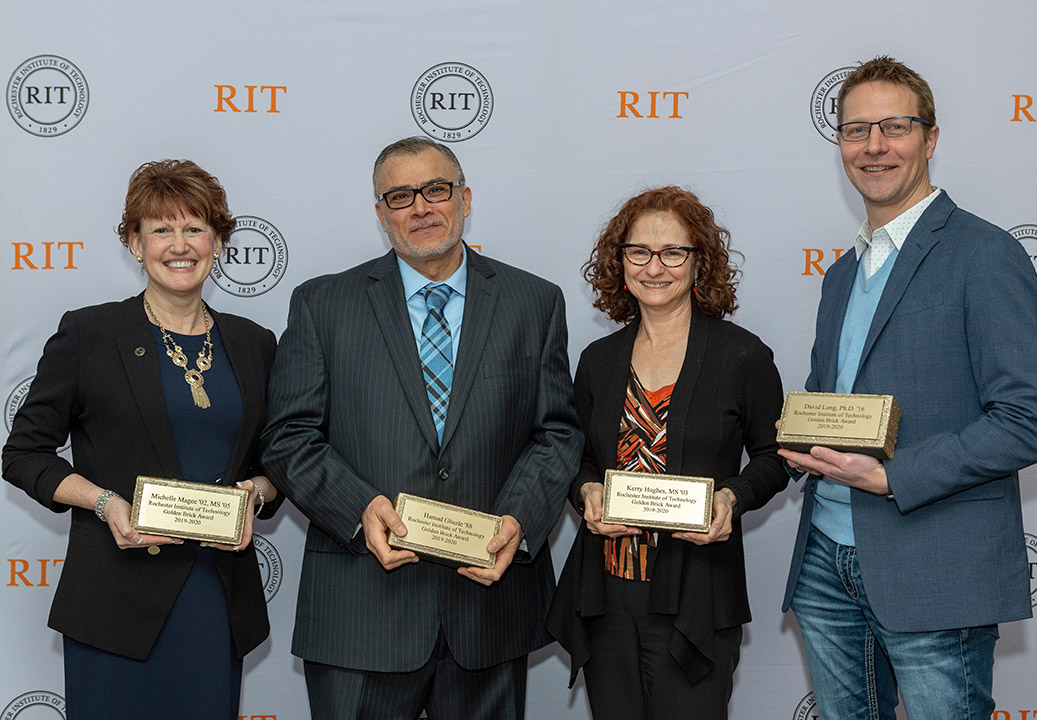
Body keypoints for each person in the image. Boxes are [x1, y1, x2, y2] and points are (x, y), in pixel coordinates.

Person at [779, 56, 1037, 719]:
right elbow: (839, 401)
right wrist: (797, 439)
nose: (873, 146)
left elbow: (1031, 420)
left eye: (894, 126)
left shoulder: (985, 254)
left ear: (930, 138)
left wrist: (891, 476)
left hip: (935, 568)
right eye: (855, 130)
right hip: (825, 560)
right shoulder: (843, 273)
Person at [259, 136, 582, 720]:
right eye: (400, 196)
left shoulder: (533, 301)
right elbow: (288, 437)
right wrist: (358, 508)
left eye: (436, 189)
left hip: (489, 608)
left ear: (464, 197)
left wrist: (517, 520)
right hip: (361, 612)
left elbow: (556, 432)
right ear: (381, 214)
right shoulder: (322, 304)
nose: (421, 207)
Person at [2, 159, 280, 719]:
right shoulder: (90, 333)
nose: (180, 245)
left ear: (220, 242)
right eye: (160, 229)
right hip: (115, 599)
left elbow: (281, 461)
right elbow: (23, 454)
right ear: (134, 242)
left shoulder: (256, 344)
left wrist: (256, 493)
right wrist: (105, 504)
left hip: (213, 596)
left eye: (195, 228)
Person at [546, 187, 789, 720]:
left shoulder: (742, 356)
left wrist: (733, 496)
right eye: (639, 252)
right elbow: (578, 459)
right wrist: (586, 490)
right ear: (621, 260)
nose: (655, 267)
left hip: (695, 597)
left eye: (673, 252)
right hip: (606, 595)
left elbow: (775, 457)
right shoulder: (598, 360)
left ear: (699, 262)